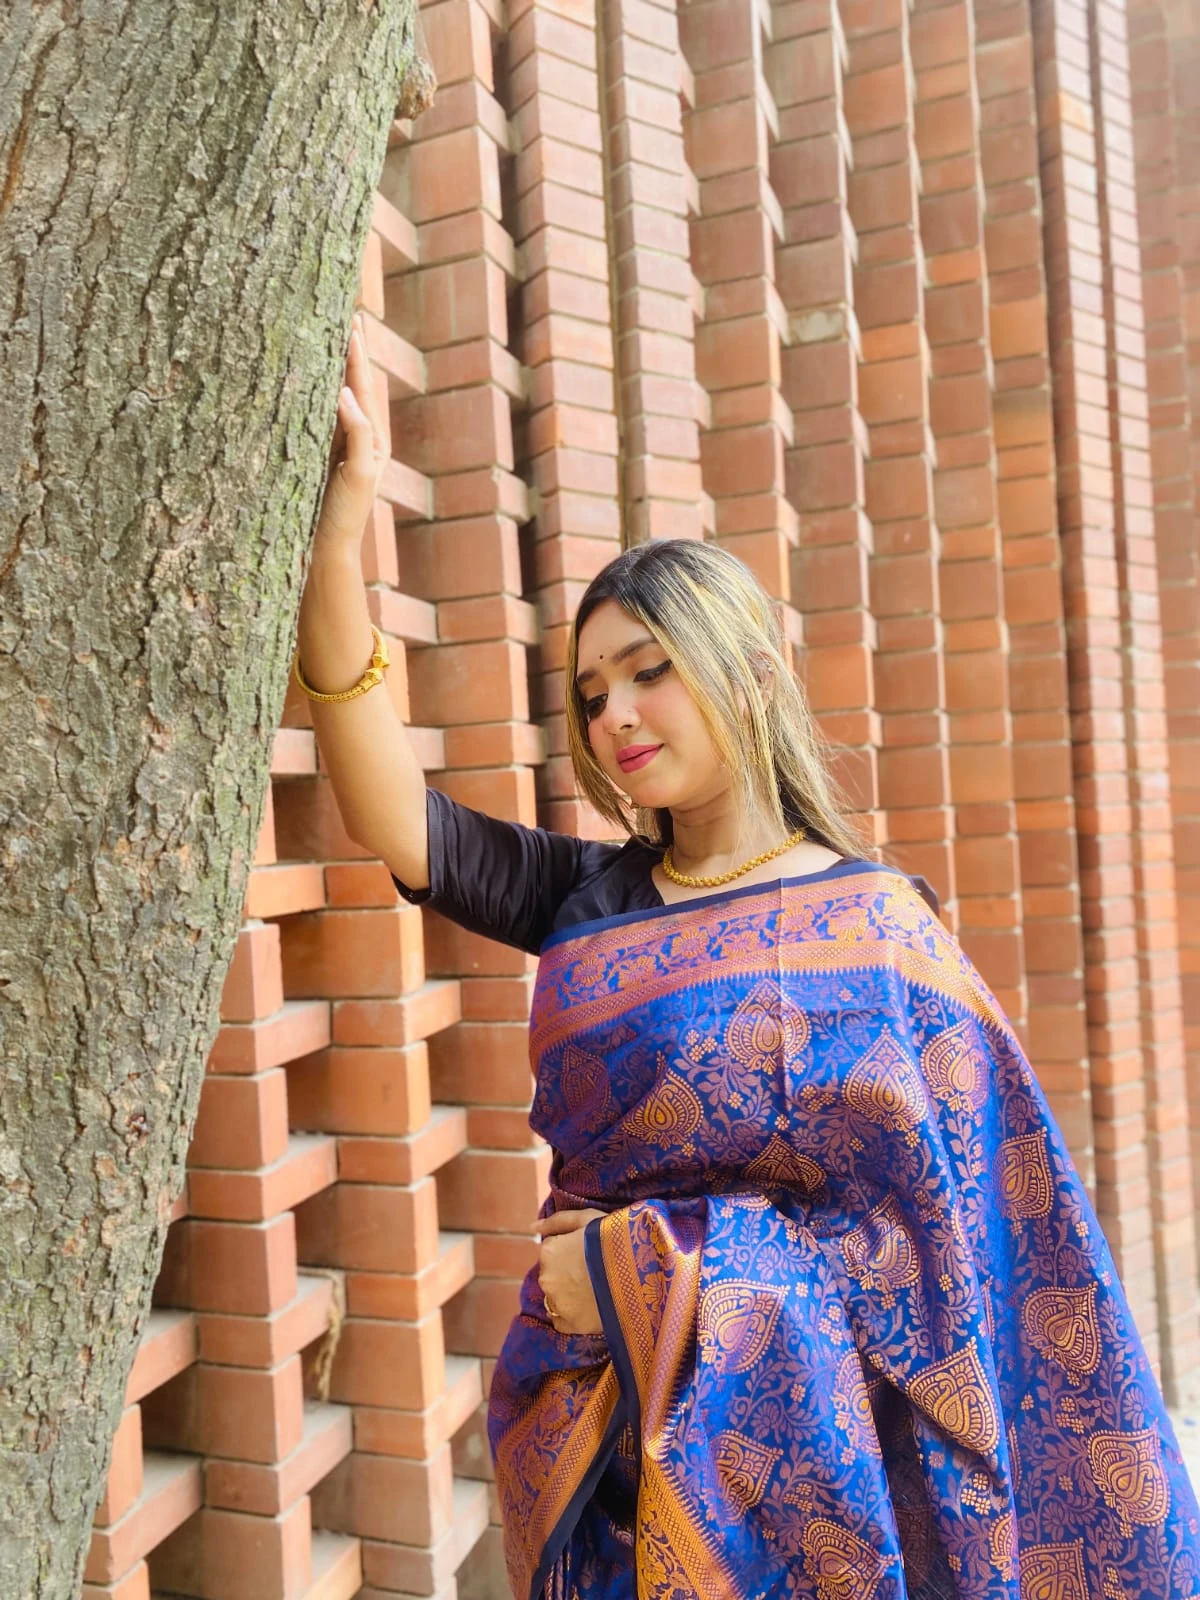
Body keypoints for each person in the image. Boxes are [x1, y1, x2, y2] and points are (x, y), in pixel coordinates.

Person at [296, 322, 1200, 1599]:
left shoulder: (881, 932)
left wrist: (643, 1267)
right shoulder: (588, 897)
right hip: (607, 1435)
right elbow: (395, 818)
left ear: (753, 674)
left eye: (649, 673)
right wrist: (338, 537)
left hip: (825, 1476)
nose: (615, 716)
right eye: (592, 694)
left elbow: (952, 1254)